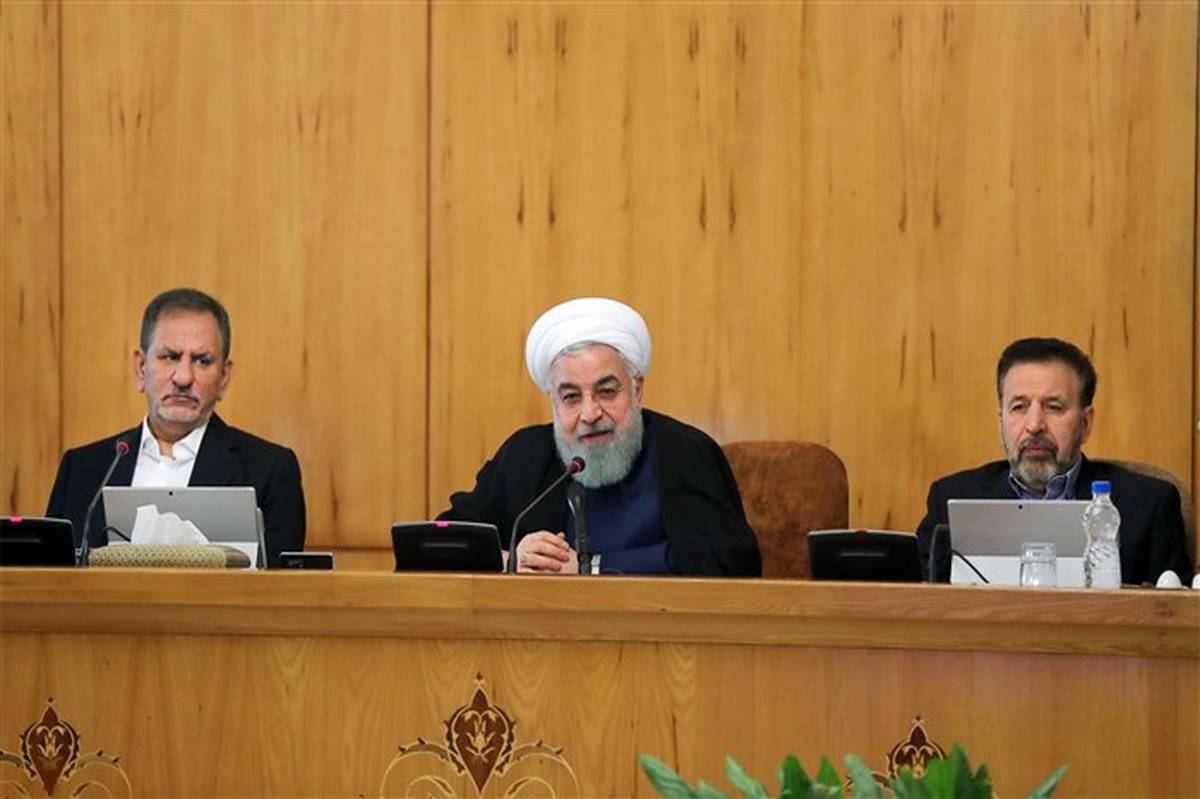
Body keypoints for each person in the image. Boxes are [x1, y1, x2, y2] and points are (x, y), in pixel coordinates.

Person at [439, 297, 761, 577]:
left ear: (637, 389)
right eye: (571, 397)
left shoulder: (684, 451)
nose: (590, 413)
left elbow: (728, 560)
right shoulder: (525, 455)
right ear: (554, 401)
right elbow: (439, 542)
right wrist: (508, 560)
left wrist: (589, 567)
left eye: (606, 391)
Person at [46, 288, 306, 567]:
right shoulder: (82, 469)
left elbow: (280, 587)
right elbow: (49, 577)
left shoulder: (270, 470)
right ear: (141, 368)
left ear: (224, 377)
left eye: (202, 361)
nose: (183, 378)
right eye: (170, 356)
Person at [916, 337, 1192, 584]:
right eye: (1019, 407)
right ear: (1001, 422)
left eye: (1053, 407)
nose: (1034, 425)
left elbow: (1174, 614)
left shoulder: (1148, 506)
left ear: (1085, 423)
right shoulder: (950, 500)